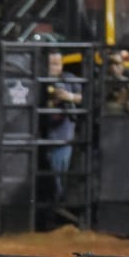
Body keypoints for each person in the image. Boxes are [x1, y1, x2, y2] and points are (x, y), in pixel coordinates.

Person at [40, 48, 83, 210]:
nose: (54, 68)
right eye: (51, 64)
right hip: (44, 136)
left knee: (59, 175)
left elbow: (84, 96)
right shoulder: (40, 80)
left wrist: (68, 96)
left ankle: (59, 208)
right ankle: (54, 208)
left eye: (57, 64)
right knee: (49, 176)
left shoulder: (69, 79)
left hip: (63, 136)